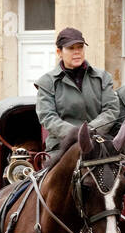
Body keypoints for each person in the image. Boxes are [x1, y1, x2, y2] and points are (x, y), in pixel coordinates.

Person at [35, 27, 119, 166]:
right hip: (62, 147)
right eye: (71, 48)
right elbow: (47, 117)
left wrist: (90, 131)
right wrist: (77, 134)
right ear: (59, 52)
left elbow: (111, 110)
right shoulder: (47, 82)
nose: (77, 52)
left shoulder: (102, 77)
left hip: (99, 142)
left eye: (80, 47)